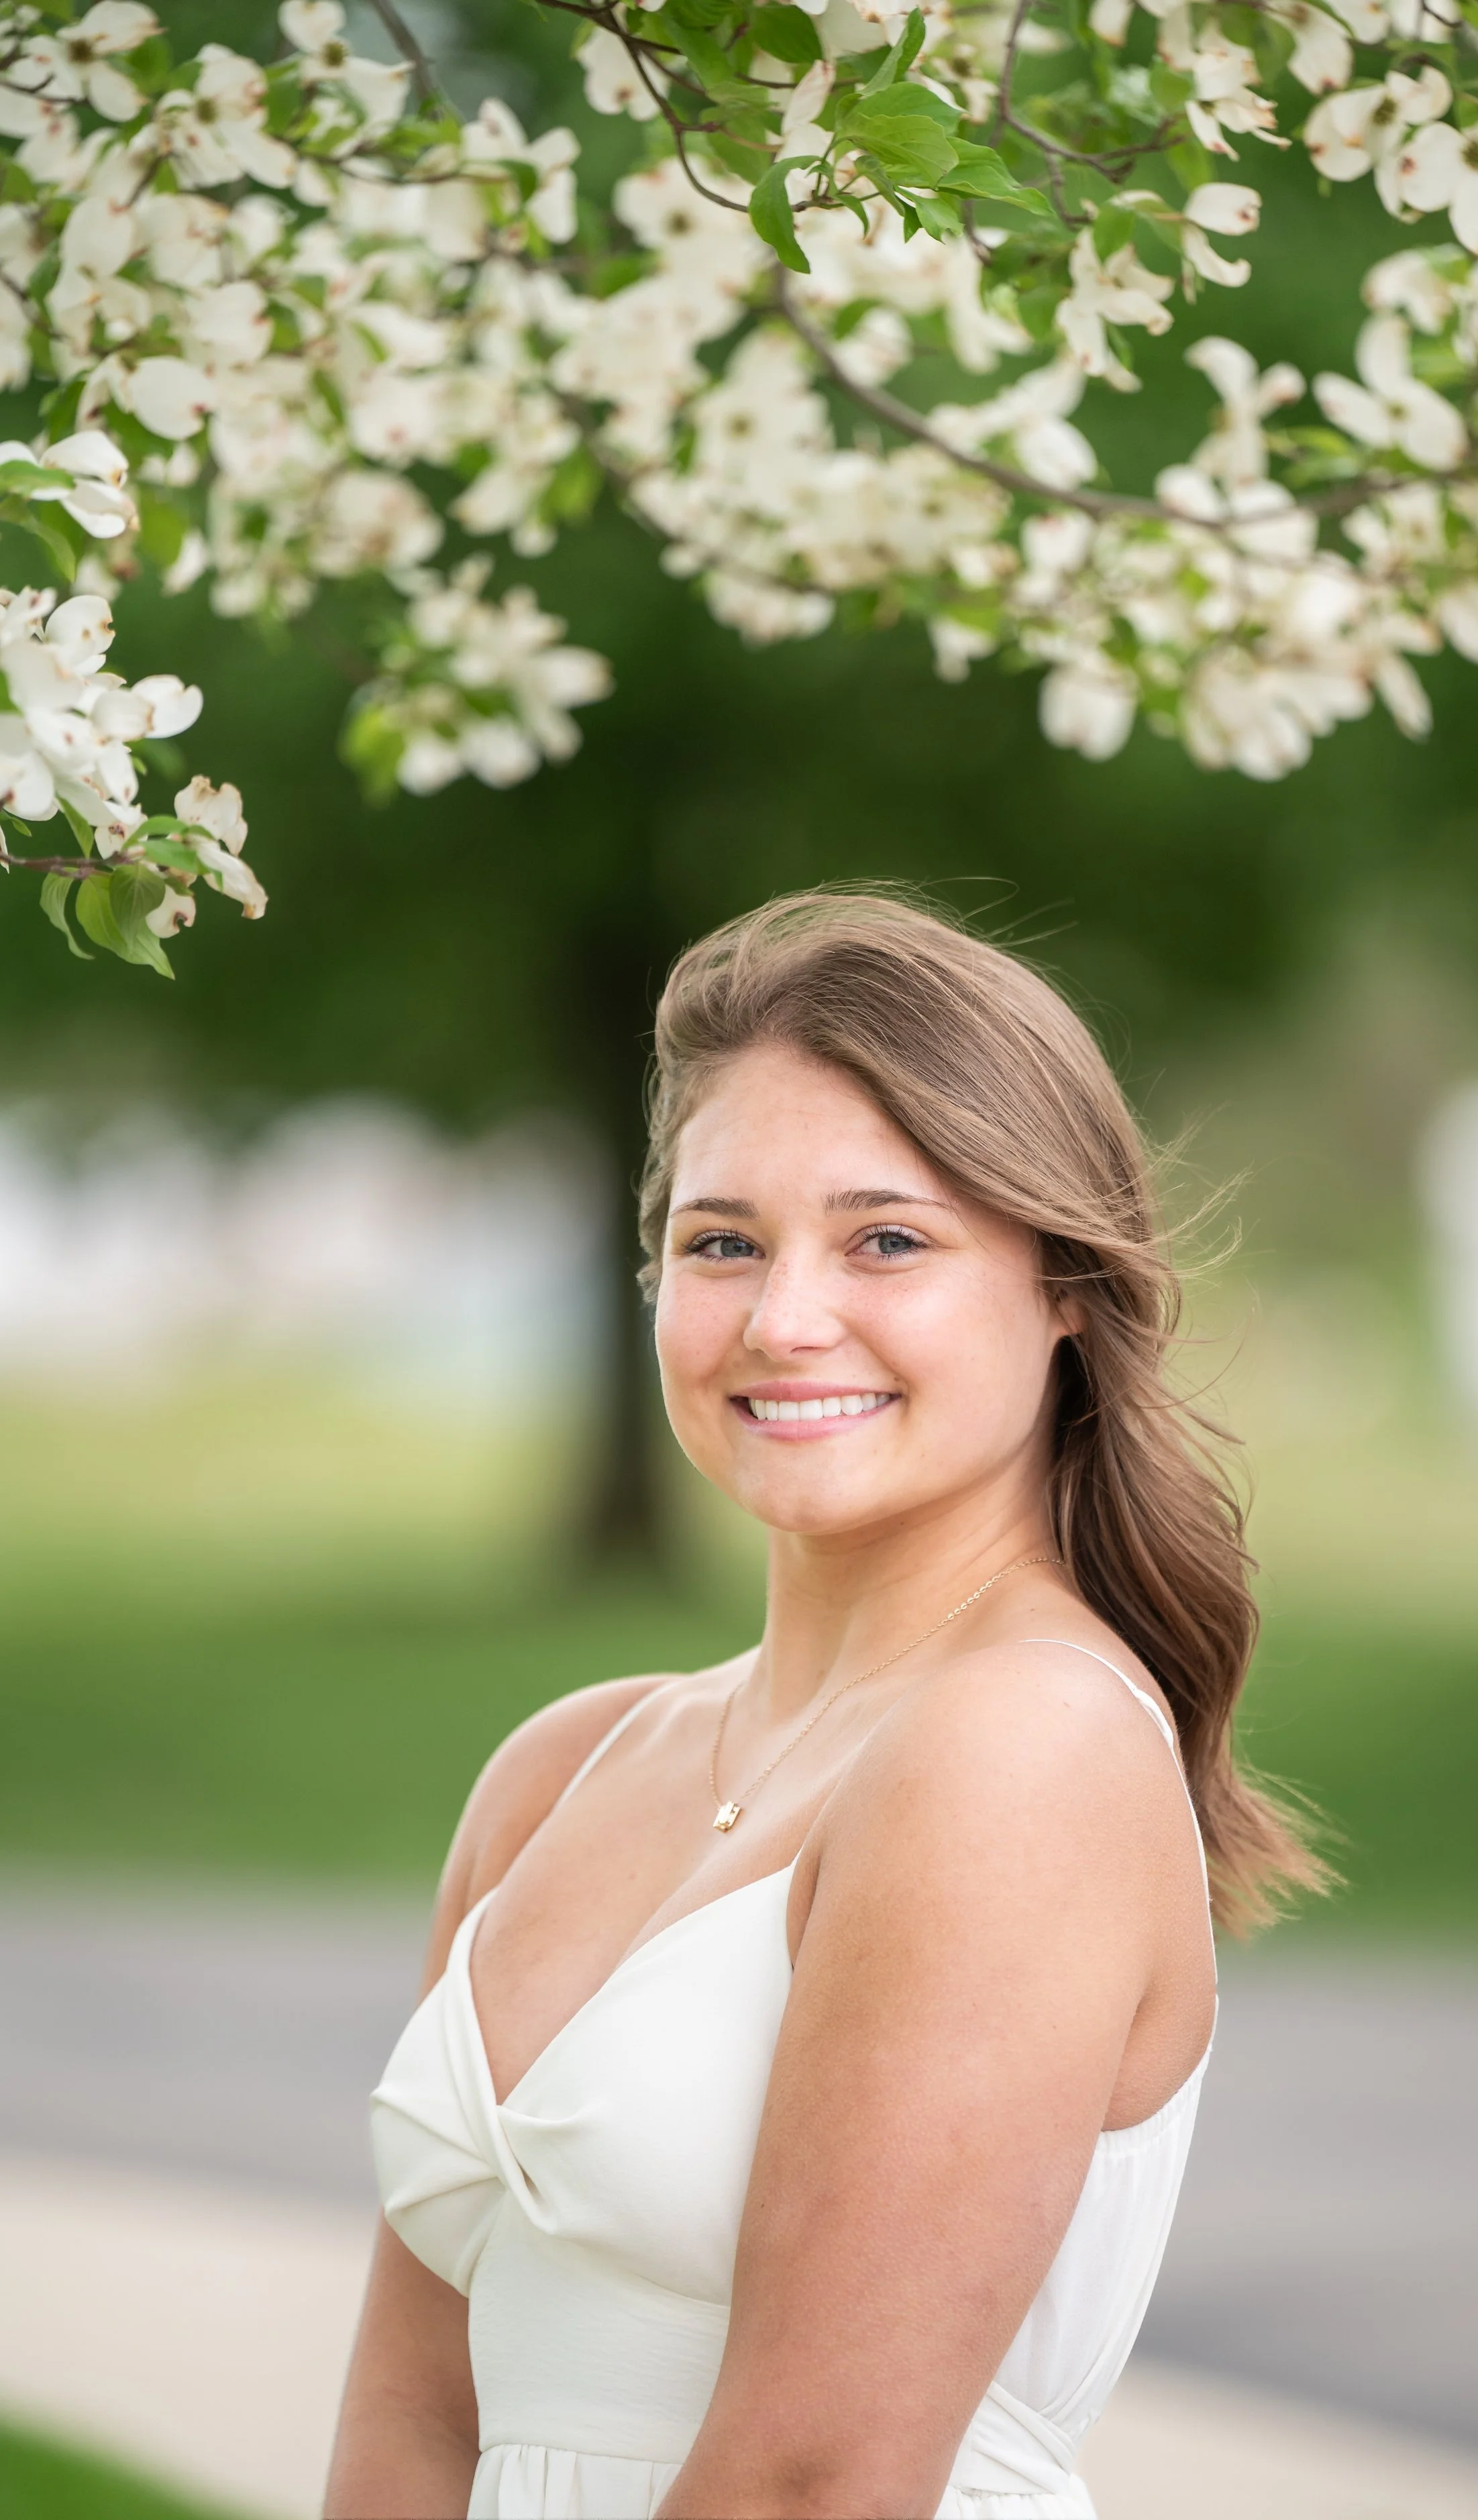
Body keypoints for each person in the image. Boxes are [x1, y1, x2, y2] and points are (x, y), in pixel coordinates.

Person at [326, 891, 1323, 2520]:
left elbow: (812, 2483)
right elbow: (413, 2420)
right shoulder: (562, 1769)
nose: (785, 1320)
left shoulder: (1027, 1751)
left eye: (887, 1240)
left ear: (1062, 1286)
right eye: (722, 1241)